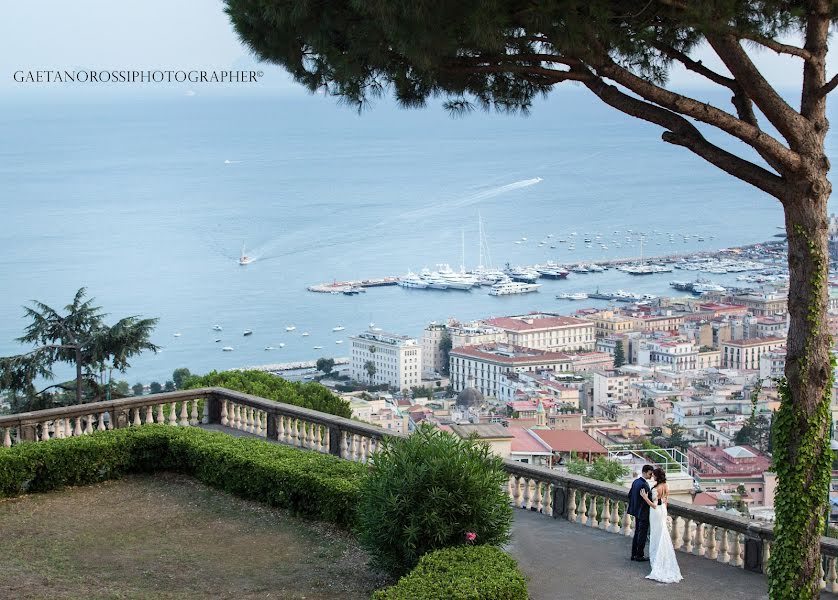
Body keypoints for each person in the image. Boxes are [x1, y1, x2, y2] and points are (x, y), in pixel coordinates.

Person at [639, 467, 683, 583]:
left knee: (656, 535)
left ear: (657, 476)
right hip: (663, 510)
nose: (652, 476)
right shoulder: (666, 486)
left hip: (656, 511)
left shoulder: (655, 489)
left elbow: (653, 505)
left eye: (653, 475)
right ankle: (663, 557)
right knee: (662, 533)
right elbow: (666, 500)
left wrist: (644, 497)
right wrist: (664, 510)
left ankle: (657, 558)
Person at [627, 464, 654, 561]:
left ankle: (634, 554)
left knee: (637, 533)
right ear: (644, 472)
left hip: (636, 511)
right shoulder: (644, 485)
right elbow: (649, 500)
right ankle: (639, 555)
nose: (651, 476)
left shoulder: (635, 482)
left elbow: (630, 495)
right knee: (642, 534)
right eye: (650, 474)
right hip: (643, 513)